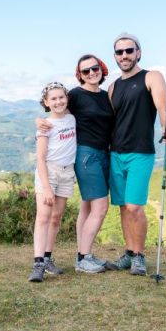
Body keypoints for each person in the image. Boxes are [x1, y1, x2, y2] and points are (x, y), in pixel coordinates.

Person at [105, 32, 166, 276]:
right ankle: (128, 253)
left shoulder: (151, 77)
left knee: (135, 207)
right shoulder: (113, 87)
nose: (124, 55)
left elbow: (162, 106)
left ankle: (139, 256)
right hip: (115, 153)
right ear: (115, 56)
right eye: (119, 52)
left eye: (129, 50)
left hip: (140, 153)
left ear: (138, 53)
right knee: (124, 208)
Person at [67, 55, 115, 273]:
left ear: (101, 69)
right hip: (86, 154)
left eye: (94, 68)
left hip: (104, 154)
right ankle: (83, 258)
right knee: (100, 206)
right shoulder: (75, 95)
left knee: (87, 206)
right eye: (85, 71)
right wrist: (41, 123)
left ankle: (83, 254)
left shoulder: (106, 96)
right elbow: (58, 113)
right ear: (80, 75)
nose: (91, 73)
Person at [28, 82, 77, 283]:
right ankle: (38, 264)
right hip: (49, 172)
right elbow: (40, 158)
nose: (58, 101)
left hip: (67, 172)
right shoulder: (46, 126)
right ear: (46, 103)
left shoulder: (72, 118)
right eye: (53, 99)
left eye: (61, 97)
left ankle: (48, 258)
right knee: (43, 217)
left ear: (66, 98)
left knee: (56, 218)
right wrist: (46, 187)